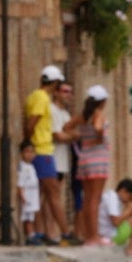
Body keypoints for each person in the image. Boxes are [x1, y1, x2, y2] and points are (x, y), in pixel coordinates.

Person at [23, 65, 70, 244]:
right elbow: (32, 123)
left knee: (41, 194)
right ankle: (66, 233)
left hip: (41, 150)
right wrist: (28, 142)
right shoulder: (42, 99)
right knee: (54, 194)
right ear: (55, 83)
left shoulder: (35, 96)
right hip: (43, 150)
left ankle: (40, 232)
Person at [71, 85, 113, 244]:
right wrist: (100, 137)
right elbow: (98, 128)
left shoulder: (82, 116)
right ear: (102, 102)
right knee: (95, 199)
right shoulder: (99, 114)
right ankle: (94, 236)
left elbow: (66, 127)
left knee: (87, 198)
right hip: (98, 159)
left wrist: (79, 136)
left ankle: (88, 235)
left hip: (84, 158)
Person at [51, 79, 81, 244]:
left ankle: (52, 232)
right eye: (65, 91)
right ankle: (50, 232)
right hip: (53, 159)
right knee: (49, 197)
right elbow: (58, 135)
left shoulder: (65, 114)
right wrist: (73, 135)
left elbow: (67, 134)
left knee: (55, 196)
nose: (68, 94)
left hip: (62, 161)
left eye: (70, 91)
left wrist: (70, 135)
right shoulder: (53, 110)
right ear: (56, 92)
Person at [99, 177, 132, 258]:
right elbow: (116, 222)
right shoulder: (112, 198)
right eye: (129, 197)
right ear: (123, 191)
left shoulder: (114, 198)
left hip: (111, 233)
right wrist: (130, 211)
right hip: (112, 236)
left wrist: (131, 209)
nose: (128, 201)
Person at [18, 141, 42, 244]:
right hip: (27, 197)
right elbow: (20, 183)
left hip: (33, 196)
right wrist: (22, 196)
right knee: (27, 217)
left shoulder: (31, 166)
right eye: (27, 152)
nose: (29, 154)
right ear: (21, 153)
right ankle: (30, 235)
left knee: (31, 216)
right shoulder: (22, 167)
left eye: (32, 152)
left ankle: (32, 233)